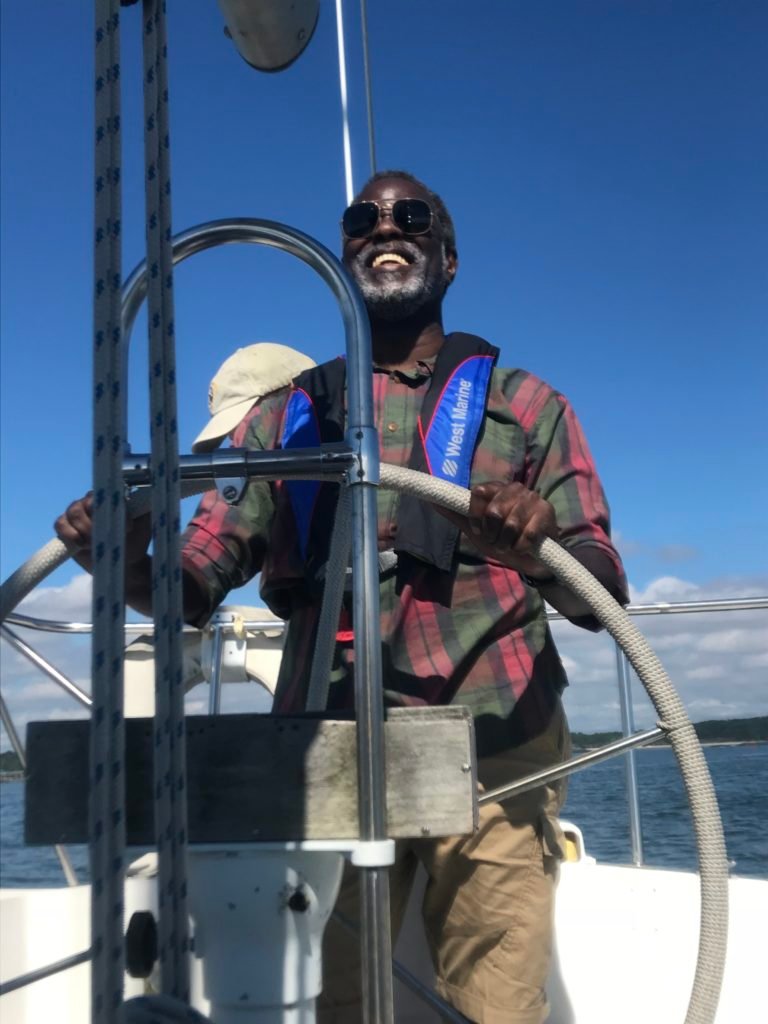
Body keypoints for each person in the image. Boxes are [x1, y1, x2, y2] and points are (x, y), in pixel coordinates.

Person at [56, 170, 628, 1024]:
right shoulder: (286, 420)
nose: (384, 227)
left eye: (410, 216)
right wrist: (127, 562)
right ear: (345, 250)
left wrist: (540, 548)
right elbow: (195, 581)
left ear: (450, 256)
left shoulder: (528, 409)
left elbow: (602, 589)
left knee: (498, 1006)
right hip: (328, 748)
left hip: (497, 742)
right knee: (338, 1003)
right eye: (362, 219)